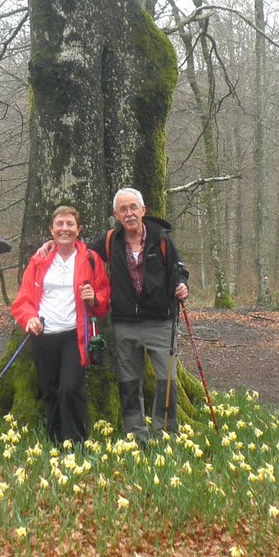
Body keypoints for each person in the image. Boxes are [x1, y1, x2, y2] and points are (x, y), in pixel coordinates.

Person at [91, 187, 189, 443]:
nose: (129, 213)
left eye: (133, 207)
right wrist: (52, 244)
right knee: (129, 382)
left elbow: (179, 268)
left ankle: (165, 435)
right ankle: (136, 436)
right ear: (116, 215)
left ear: (143, 210)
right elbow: (81, 254)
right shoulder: (110, 240)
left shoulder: (161, 239)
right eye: (123, 209)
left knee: (167, 380)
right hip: (125, 323)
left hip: (161, 321)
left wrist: (182, 285)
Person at [11, 206, 110, 445]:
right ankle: (54, 442)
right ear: (51, 229)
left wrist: (93, 298)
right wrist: (29, 318)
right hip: (44, 334)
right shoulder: (39, 260)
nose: (64, 229)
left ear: (79, 230)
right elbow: (23, 299)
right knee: (50, 389)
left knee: (70, 387)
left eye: (70, 224)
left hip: (74, 335)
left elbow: (103, 298)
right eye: (59, 224)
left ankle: (76, 442)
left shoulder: (90, 259)